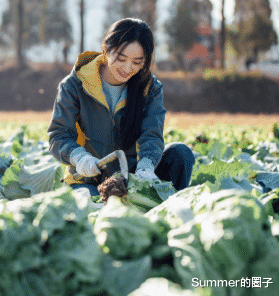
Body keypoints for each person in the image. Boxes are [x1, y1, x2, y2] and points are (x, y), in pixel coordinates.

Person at [47, 18, 194, 197]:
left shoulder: (150, 88)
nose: (127, 68)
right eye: (121, 58)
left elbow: (151, 135)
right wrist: (79, 157)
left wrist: (146, 167)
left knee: (181, 153)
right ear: (106, 49)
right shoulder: (74, 85)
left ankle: (169, 209)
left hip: (134, 178)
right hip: (89, 179)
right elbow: (59, 135)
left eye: (137, 62)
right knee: (88, 202)